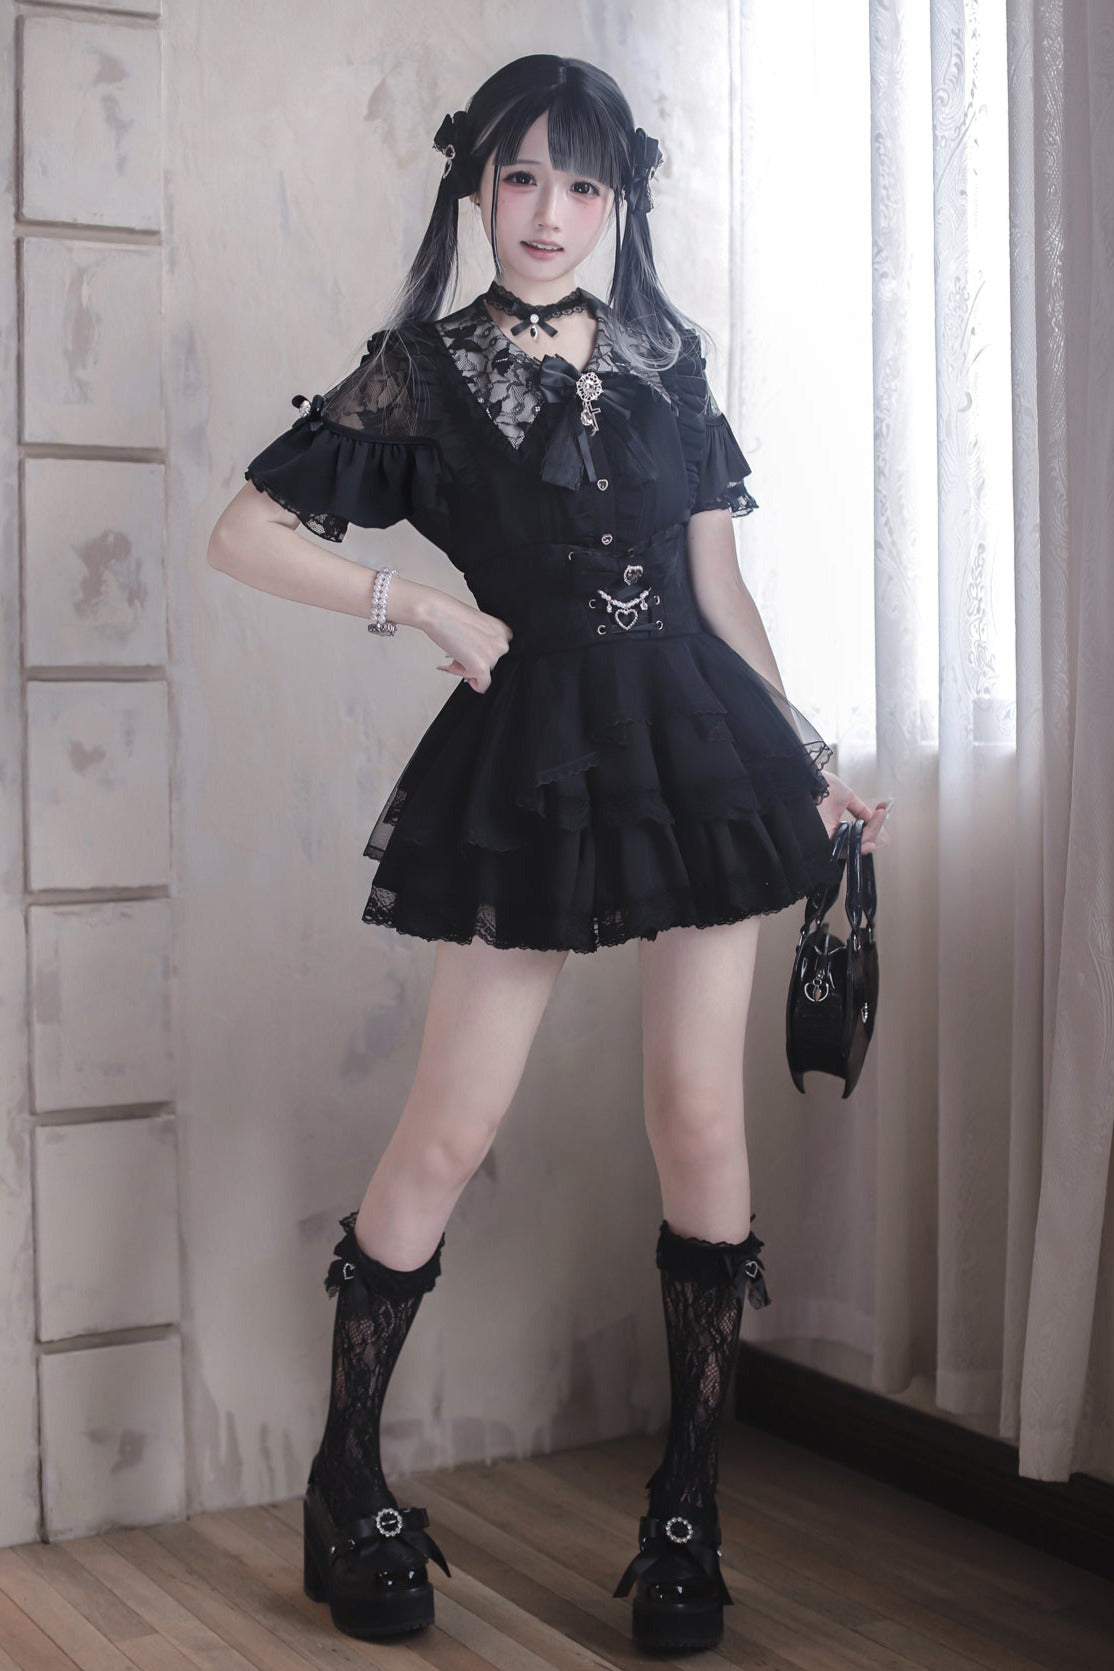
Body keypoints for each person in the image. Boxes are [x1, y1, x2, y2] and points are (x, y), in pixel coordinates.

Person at [208, 52, 891, 1655]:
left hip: (700, 748)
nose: (547, 213)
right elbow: (242, 534)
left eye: (582, 185)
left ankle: (683, 1515)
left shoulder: (666, 353)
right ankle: (347, 1485)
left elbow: (715, 591)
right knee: (451, 1126)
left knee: (697, 1115)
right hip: (531, 763)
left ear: (618, 201)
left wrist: (806, 761)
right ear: (475, 185)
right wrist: (421, 607)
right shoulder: (423, 371)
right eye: (519, 177)